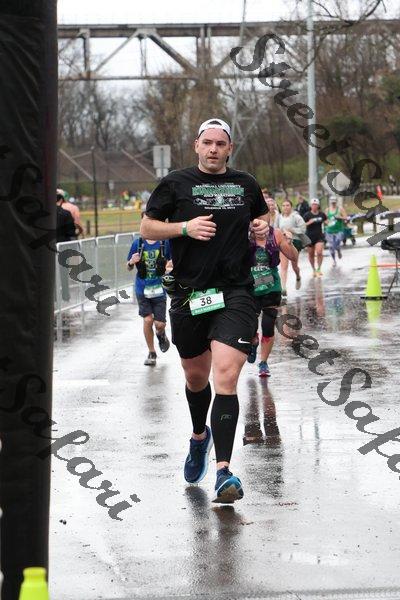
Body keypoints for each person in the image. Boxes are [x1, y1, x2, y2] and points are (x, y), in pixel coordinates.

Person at [140, 117, 269, 503]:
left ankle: (224, 472)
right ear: (196, 145)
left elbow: (262, 215)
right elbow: (147, 228)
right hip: (189, 296)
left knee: (226, 375)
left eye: (220, 143)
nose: (213, 149)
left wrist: (261, 227)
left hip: (236, 292)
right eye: (207, 142)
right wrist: (184, 228)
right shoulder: (175, 184)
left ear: (230, 149)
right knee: (196, 378)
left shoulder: (246, 184)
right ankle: (200, 437)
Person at [247, 223, 298, 377]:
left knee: (268, 326)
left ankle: (263, 363)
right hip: (250, 288)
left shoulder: (275, 234)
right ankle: (253, 341)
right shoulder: (242, 234)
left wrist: (289, 242)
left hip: (271, 287)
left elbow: (293, 257)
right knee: (249, 326)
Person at [127, 232, 171, 366]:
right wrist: (131, 262)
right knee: (147, 320)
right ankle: (152, 353)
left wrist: (170, 267)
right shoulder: (138, 243)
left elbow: (172, 262)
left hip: (159, 289)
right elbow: (128, 267)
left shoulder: (164, 243)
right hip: (142, 289)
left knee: (159, 324)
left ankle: (161, 334)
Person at [277, 199, 306, 296]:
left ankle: (298, 276)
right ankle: (283, 288)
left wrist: (292, 230)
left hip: (294, 243)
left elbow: (303, 229)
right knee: (283, 266)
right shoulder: (279, 217)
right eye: (283, 205)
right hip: (283, 243)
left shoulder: (296, 217)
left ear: (291, 207)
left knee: (294, 266)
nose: (285, 207)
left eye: (287, 205)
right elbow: (276, 229)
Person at [303, 198, 327, 277]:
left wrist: (329, 223)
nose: (314, 206)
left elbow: (326, 221)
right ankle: (313, 269)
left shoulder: (322, 214)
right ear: (311, 205)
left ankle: (319, 269)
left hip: (319, 236)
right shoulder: (307, 215)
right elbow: (302, 225)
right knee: (311, 254)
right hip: (309, 237)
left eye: (316, 204)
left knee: (319, 252)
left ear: (318, 205)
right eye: (313, 204)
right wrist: (309, 222)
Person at [325, 196, 347, 266]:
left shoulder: (340, 209)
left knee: (337, 242)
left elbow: (346, 217)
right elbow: (325, 219)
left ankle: (338, 250)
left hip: (339, 230)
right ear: (330, 202)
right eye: (332, 203)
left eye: (334, 202)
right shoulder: (327, 210)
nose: (333, 204)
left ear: (336, 202)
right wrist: (327, 222)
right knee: (331, 246)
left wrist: (339, 217)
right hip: (329, 231)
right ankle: (334, 260)